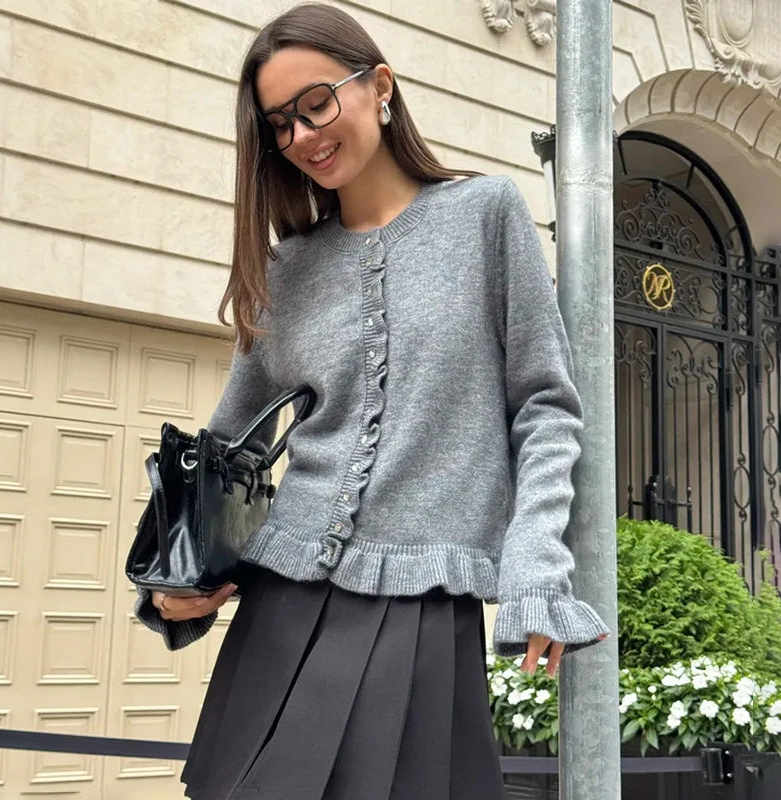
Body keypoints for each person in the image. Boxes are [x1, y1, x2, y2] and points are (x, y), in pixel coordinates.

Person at [134, 3, 609, 798]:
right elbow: (229, 447)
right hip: (280, 610)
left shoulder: (486, 215)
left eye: (316, 104)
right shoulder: (288, 271)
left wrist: (534, 567)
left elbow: (545, 407)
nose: (302, 136)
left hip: (421, 607)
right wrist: (171, 585)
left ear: (379, 85)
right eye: (279, 124)